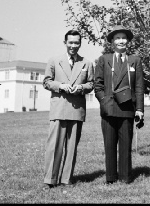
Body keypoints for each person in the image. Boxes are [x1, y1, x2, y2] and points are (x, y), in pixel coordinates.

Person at [42, 29, 94, 189]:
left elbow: (91, 84)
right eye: (70, 42)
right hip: (59, 108)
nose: (73, 45)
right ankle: (50, 179)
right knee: (54, 145)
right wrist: (61, 86)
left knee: (71, 147)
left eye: (76, 43)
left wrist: (80, 87)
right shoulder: (54, 60)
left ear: (80, 44)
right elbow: (46, 82)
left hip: (77, 110)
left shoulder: (87, 63)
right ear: (65, 43)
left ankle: (66, 179)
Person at [94, 25, 144, 184]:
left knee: (125, 144)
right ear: (112, 42)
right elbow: (98, 85)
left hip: (128, 108)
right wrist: (104, 100)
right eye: (117, 38)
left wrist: (140, 109)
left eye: (123, 38)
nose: (121, 41)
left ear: (128, 41)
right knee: (109, 144)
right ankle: (110, 177)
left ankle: (125, 176)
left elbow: (139, 87)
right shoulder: (104, 59)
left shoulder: (135, 60)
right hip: (109, 109)